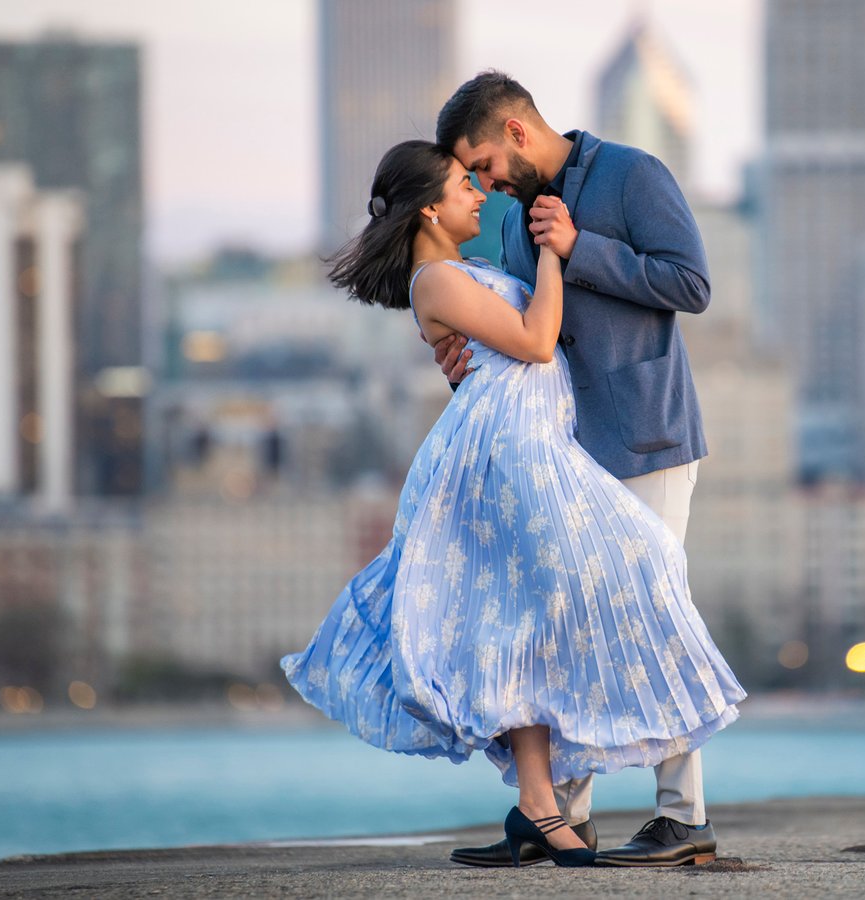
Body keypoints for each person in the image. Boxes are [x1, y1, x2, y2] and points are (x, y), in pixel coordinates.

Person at [279, 138, 745, 869]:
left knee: (530, 622)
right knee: (621, 579)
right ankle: (593, 809)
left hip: (536, 445)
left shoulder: (465, 269)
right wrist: (558, 254)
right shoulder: (437, 278)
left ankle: (543, 808)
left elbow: (502, 353)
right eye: (466, 183)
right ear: (430, 205)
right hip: (518, 458)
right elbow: (535, 340)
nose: (480, 193)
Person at [432, 71, 722, 868]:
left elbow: (691, 284)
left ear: (517, 133)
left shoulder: (635, 174)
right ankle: (565, 819)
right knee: (563, 633)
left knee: (651, 615)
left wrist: (579, 248)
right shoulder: (517, 215)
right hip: (562, 449)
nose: (484, 183)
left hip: (646, 438)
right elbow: (537, 330)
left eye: (485, 163)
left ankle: (682, 816)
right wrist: (467, 361)